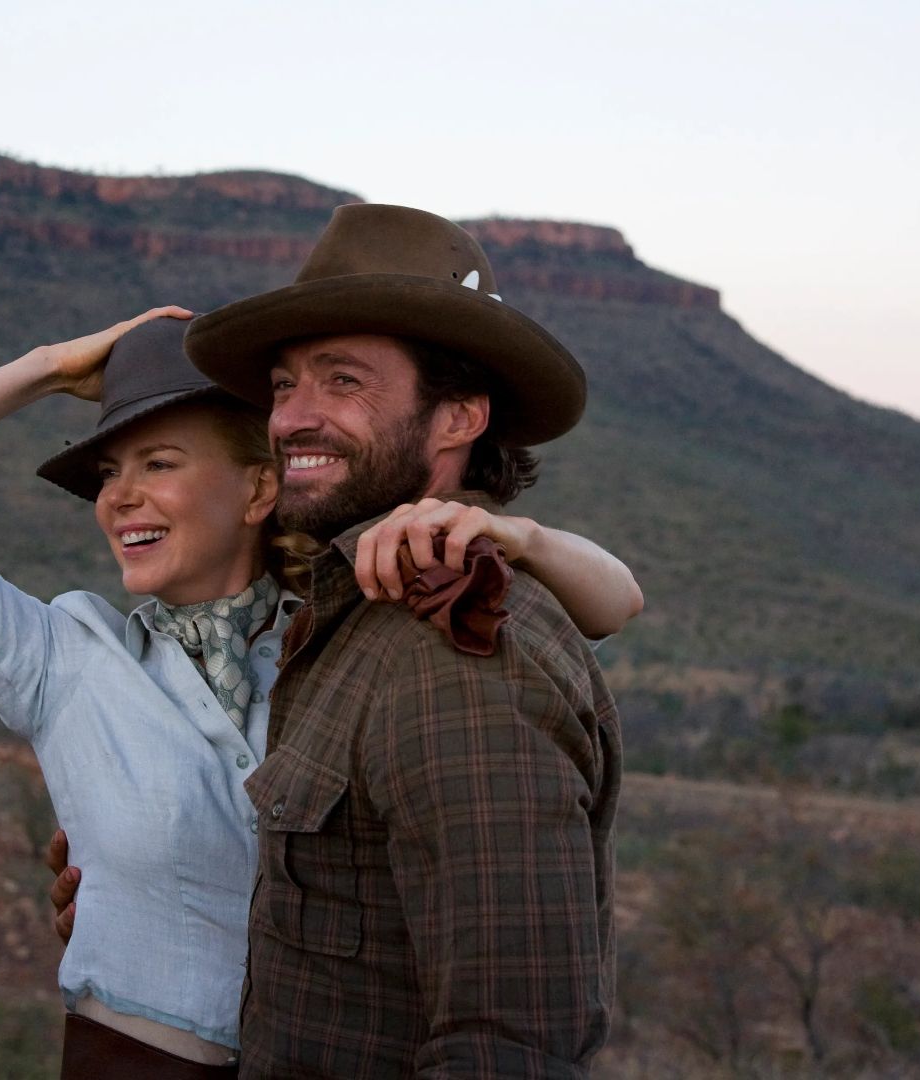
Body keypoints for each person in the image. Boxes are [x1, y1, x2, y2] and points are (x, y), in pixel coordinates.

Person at [0, 310, 642, 1078]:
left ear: (259, 490)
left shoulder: (346, 638)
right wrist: (50, 367)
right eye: (108, 473)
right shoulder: (62, 660)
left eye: (159, 464)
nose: (119, 497)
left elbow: (608, 607)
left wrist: (522, 538)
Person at [180, 203, 626, 1077]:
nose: (291, 418)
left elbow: (508, 1046)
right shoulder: (354, 608)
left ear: (458, 419)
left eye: (342, 381)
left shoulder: (459, 643)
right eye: (283, 385)